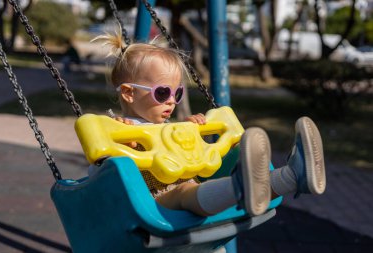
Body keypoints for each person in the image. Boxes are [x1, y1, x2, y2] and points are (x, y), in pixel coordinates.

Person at [90, 32, 326, 217]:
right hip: (151, 204)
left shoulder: (166, 126)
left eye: (178, 92)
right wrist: (121, 150)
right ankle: (243, 185)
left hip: (190, 189)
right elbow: (101, 178)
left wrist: (192, 132)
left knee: (212, 186)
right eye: (162, 93)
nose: (171, 101)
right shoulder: (116, 129)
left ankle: (294, 175)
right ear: (129, 93)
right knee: (186, 192)